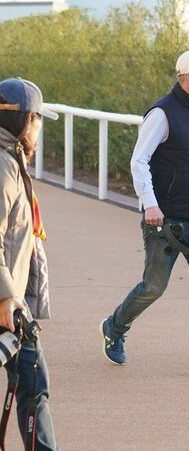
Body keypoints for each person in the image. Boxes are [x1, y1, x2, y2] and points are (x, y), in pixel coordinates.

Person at [100, 50, 189, 377]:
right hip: (165, 223)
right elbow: (139, 161)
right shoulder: (161, 115)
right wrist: (150, 203)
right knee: (153, 287)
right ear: (188, 77)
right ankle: (114, 327)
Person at [0, 78, 60, 450]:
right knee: (34, 388)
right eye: (37, 120)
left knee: (33, 386)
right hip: (7, 306)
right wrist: (8, 298)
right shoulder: (4, 168)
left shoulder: (10, 163)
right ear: (24, 121)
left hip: (12, 304)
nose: (39, 130)